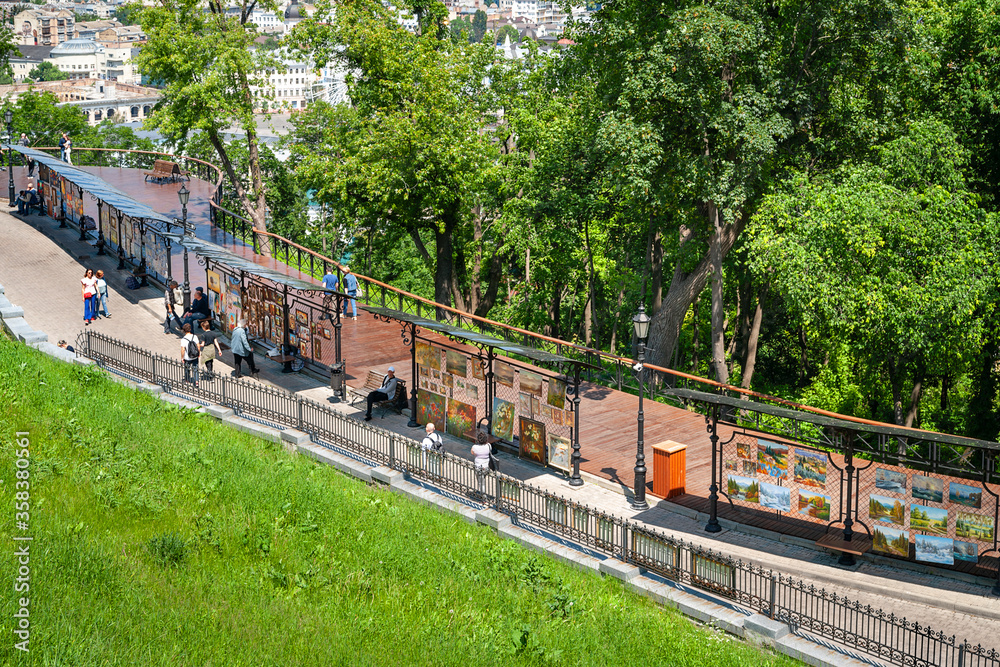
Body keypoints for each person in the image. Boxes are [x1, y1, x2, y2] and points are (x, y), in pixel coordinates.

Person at [471, 432, 492, 497]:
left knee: (481, 483)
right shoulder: (489, 445)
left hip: (479, 467)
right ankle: (482, 491)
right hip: (487, 466)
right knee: (482, 480)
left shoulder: (475, 447)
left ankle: (483, 496)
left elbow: (472, 452)